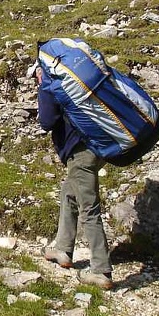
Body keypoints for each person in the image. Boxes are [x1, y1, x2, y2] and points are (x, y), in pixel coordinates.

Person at [35, 65, 113, 290]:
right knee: (69, 194)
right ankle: (62, 249)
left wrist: (42, 90)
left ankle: (101, 270)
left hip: (80, 154)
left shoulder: (50, 85)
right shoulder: (77, 80)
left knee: (89, 209)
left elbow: (47, 122)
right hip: (98, 147)